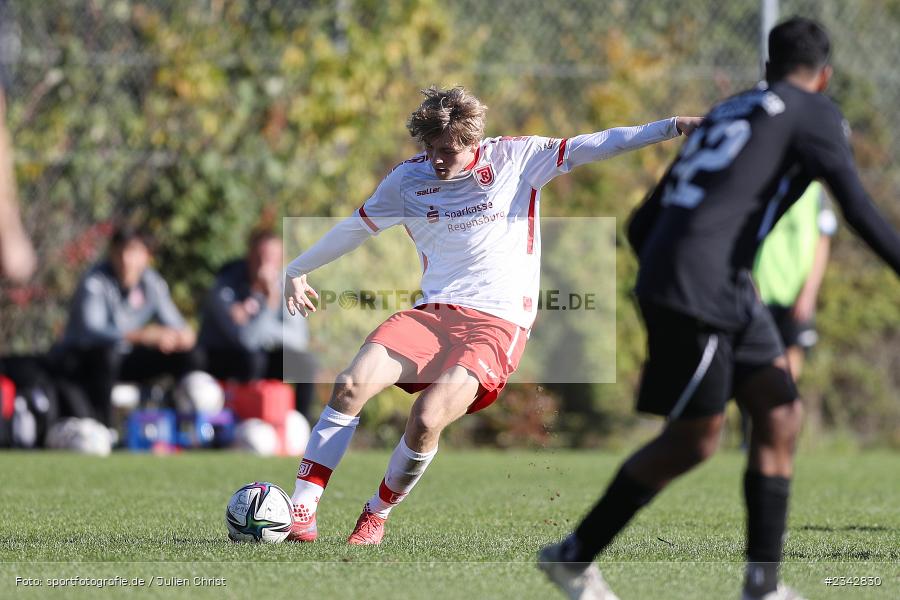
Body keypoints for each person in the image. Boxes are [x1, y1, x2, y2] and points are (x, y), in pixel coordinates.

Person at [538, 18, 900, 600]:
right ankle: (573, 556)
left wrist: (685, 271)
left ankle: (762, 585)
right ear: (824, 76)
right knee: (694, 441)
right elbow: (856, 205)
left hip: (715, 284)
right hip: (703, 288)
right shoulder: (816, 113)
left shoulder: (732, 109)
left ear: (766, 69)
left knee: (780, 414)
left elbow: (641, 224)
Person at [283, 84, 701, 545]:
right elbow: (354, 229)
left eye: (449, 151)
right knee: (349, 384)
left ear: (473, 143)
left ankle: (376, 513)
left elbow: (597, 143)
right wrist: (298, 269)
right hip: (433, 313)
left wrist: (673, 127)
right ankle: (302, 509)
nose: (438, 160)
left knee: (426, 418)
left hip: (498, 324)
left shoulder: (515, 159)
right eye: (430, 149)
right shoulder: (407, 180)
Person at [52, 225, 199, 426]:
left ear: (147, 256)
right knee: (108, 355)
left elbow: (178, 326)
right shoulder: (95, 280)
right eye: (120, 250)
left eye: (134, 252)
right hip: (84, 359)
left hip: (125, 359)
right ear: (111, 253)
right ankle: (105, 428)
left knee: (189, 356)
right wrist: (140, 336)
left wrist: (180, 337)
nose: (125, 259)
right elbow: (92, 330)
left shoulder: (152, 283)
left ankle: (181, 426)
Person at [198, 229, 317, 419]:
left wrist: (263, 323)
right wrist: (270, 304)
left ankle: (303, 429)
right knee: (252, 359)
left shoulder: (288, 281)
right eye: (260, 257)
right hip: (227, 357)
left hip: (263, 355)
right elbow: (246, 340)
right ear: (249, 256)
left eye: (272, 258)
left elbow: (298, 338)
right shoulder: (228, 280)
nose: (265, 264)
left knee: (305, 363)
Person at [753, 182, 836, 379]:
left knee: (790, 362)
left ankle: (782, 404)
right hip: (761, 290)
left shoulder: (817, 192)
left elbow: (823, 242)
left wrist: (808, 292)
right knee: (756, 363)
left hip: (796, 294)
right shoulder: (767, 182)